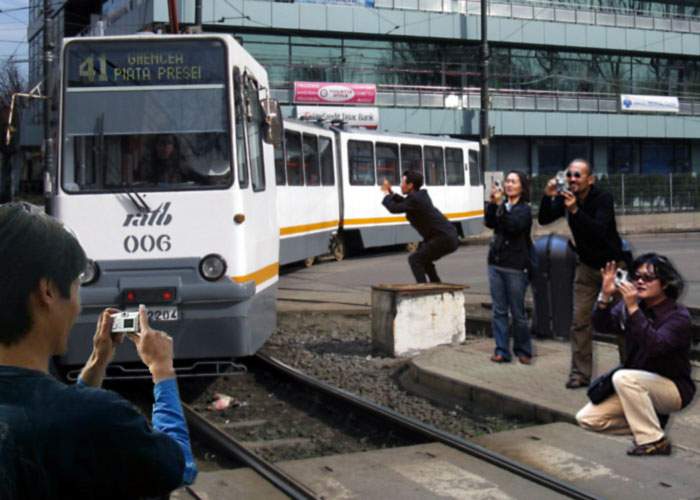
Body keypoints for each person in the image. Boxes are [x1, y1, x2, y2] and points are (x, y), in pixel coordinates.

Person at [0, 203, 197, 499]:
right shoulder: (102, 417)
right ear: (49, 291)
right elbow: (177, 467)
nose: (78, 305)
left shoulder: (67, 413)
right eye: (77, 287)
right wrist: (162, 371)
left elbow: (54, 406)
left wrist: (97, 362)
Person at [576, 253, 694, 456]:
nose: (639, 281)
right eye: (636, 277)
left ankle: (654, 440)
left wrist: (632, 308)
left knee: (623, 377)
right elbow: (602, 326)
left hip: (673, 389)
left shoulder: (678, 315)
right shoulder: (631, 307)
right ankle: (650, 424)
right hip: (636, 386)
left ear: (664, 284)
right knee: (587, 418)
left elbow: (655, 346)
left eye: (648, 278)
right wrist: (605, 296)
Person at [538, 158, 625, 389]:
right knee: (579, 322)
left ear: (590, 179)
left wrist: (575, 210)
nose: (572, 179)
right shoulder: (568, 198)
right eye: (569, 175)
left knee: (622, 321)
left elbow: (598, 231)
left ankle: (630, 370)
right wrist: (548, 196)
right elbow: (544, 218)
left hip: (612, 267)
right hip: (586, 268)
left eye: (577, 175)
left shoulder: (602, 198)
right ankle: (580, 374)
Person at [484, 171, 533, 364]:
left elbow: (513, 227)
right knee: (499, 311)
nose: (509, 185)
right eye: (507, 181)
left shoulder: (524, 210)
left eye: (514, 182)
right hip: (496, 264)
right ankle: (502, 350)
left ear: (522, 187)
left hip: (515, 266)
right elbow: (490, 222)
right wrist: (492, 206)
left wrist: (500, 208)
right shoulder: (501, 206)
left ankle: (523, 350)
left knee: (518, 312)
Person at [381, 170, 460, 283]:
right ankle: (436, 286)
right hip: (444, 236)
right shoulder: (419, 196)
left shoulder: (416, 199)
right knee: (424, 259)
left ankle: (423, 289)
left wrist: (386, 194)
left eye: (403, 183)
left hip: (443, 238)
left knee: (415, 259)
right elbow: (404, 202)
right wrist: (392, 194)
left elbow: (394, 208)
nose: (400, 185)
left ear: (410, 185)